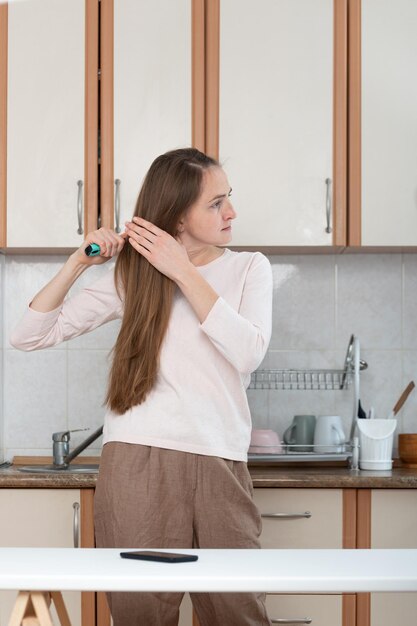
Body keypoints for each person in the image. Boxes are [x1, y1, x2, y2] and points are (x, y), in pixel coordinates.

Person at [11, 148, 273, 626]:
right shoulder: (132, 276)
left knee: (238, 612)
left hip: (220, 459)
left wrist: (182, 269)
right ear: (177, 214)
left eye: (227, 199)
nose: (231, 212)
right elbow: (28, 335)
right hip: (137, 461)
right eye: (215, 203)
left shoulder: (250, 268)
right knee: (141, 615)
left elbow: (249, 351)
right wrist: (78, 263)